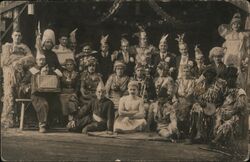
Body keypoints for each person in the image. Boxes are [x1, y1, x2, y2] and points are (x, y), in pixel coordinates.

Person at [20, 52, 62, 133]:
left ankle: (51, 123)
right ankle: (42, 124)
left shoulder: (49, 69)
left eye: (43, 60)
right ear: (36, 60)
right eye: (40, 60)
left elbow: (55, 79)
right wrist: (27, 87)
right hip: (36, 94)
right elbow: (23, 83)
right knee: (43, 104)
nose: (42, 61)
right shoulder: (32, 70)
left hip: (48, 93)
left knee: (56, 103)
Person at [1, 30, 34, 128]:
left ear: (21, 37)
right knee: (9, 95)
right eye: (15, 35)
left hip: (21, 74)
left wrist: (20, 60)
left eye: (19, 35)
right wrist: (19, 58)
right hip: (9, 74)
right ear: (12, 36)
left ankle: (21, 119)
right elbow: (5, 61)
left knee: (20, 94)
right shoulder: (7, 46)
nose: (17, 37)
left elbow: (31, 59)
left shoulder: (24, 47)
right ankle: (7, 120)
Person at [189, 66, 227, 144]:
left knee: (217, 114)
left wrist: (215, 105)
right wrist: (200, 102)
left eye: (211, 75)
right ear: (205, 75)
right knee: (196, 107)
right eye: (207, 74)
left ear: (214, 75)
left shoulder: (219, 84)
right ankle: (196, 134)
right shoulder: (202, 84)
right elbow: (194, 96)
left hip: (216, 106)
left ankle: (210, 136)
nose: (208, 76)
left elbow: (224, 98)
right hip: (203, 105)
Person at [212, 66, 248, 147]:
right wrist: (219, 113)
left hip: (234, 115)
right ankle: (216, 138)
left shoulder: (240, 91)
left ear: (235, 78)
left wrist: (231, 113)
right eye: (228, 78)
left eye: (232, 78)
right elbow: (218, 102)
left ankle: (215, 141)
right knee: (216, 122)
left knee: (228, 125)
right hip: (221, 114)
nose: (230, 80)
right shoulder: (223, 89)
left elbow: (240, 108)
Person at [219, 13, 249, 90]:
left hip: (239, 58)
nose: (236, 25)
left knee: (238, 75)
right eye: (234, 24)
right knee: (227, 74)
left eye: (238, 24)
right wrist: (223, 56)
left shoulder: (243, 35)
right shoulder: (228, 36)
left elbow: (247, 48)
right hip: (228, 58)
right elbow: (225, 48)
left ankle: (238, 92)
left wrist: (246, 58)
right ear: (231, 25)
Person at [175, 64, 195, 138]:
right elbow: (174, 92)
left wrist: (187, 95)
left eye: (187, 71)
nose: (186, 73)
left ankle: (185, 131)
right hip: (179, 100)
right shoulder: (178, 81)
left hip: (189, 100)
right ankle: (178, 130)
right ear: (181, 72)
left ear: (190, 72)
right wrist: (175, 99)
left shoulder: (193, 80)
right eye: (184, 71)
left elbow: (192, 92)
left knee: (185, 108)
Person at [59, 58, 79, 124]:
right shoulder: (62, 74)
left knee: (72, 101)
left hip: (73, 92)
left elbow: (77, 86)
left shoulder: (76, 74)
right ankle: (64, 120)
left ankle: (71, 120)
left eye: (71, 64)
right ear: (65, 66)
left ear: (73, 65)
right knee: (63, 100)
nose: (69, 66)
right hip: (63, 92)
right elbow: (60, 85)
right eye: (67, 65)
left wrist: (75, 93)